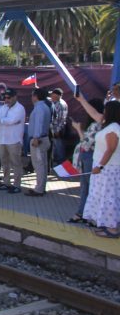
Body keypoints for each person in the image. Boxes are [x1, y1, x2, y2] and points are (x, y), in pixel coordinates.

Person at [82, 101, 120, 238]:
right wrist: (80, 99)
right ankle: (108, 225)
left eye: (105, 110)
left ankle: (112, 229)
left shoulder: (112, 128)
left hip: (107, 169)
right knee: (106, 197)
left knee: (109, 198)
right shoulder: (110, 126)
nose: (103, 112)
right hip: (105, 168)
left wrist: (100, 166)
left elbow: (111, 149)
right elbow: (92, 113)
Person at [70, 94, 104, 223]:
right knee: (86, 187)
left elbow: (86, 142)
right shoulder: (97, 124)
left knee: (89, 187)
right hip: (88, 157)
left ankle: (87, 215)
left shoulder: (97, 125)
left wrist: (78, 129)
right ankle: (83, 213)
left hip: (89, 157)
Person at [0, 89, 26, 194]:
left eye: (8, 97)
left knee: (16, 163)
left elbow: (12, 120)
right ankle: (6, 182)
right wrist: (4, 120)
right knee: (4, 162)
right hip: (2, 139)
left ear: (15, 97)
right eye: (5, 97)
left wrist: (2, 120)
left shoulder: (20, 108)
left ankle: (17, 185)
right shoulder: (3, 107)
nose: (6, 99)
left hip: (14, 140)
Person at [27, 87, 52, 197]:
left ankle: (39, 189)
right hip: (43, 138)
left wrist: (36, 137)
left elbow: (39, 123)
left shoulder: (39, 108)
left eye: (32, 95)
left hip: (39, 139)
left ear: (36, 96)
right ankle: (41, 187)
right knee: (42, 164)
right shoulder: (44, 107)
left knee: (39, 165)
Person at [49, 88, 69, 165]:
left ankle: (61, 163)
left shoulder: (60, 104)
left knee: (59, 146)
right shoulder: (57, 102)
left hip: (58, 129)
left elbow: (61, 119)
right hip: (56, 128)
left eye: (52, 95)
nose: (51, 96)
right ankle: (57, 161)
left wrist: (57, 130)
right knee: (56, 145)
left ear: (56, 95)